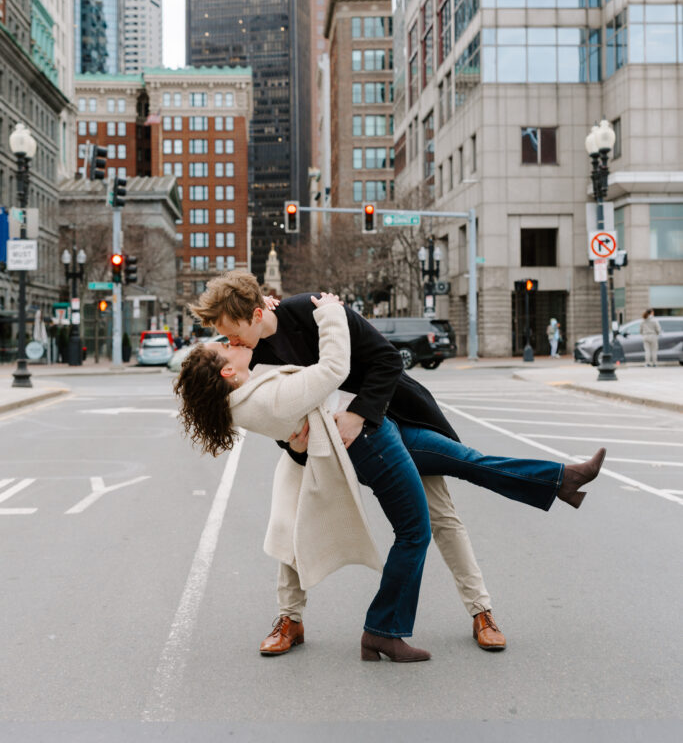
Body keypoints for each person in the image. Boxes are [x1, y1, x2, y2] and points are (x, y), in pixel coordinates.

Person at [180, 278, 607, 663]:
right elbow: (276, 409)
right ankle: (290, 619)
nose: (228, 339)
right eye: (224, 336)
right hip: (329, 446)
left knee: (442, 516)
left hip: (392, 414)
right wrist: (292, 440)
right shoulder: (250, 355)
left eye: (231, 331)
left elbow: (386, 360)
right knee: (292, 520)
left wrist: (361, 414)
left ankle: (481, 611)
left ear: (257, 315)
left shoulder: (315, 309)